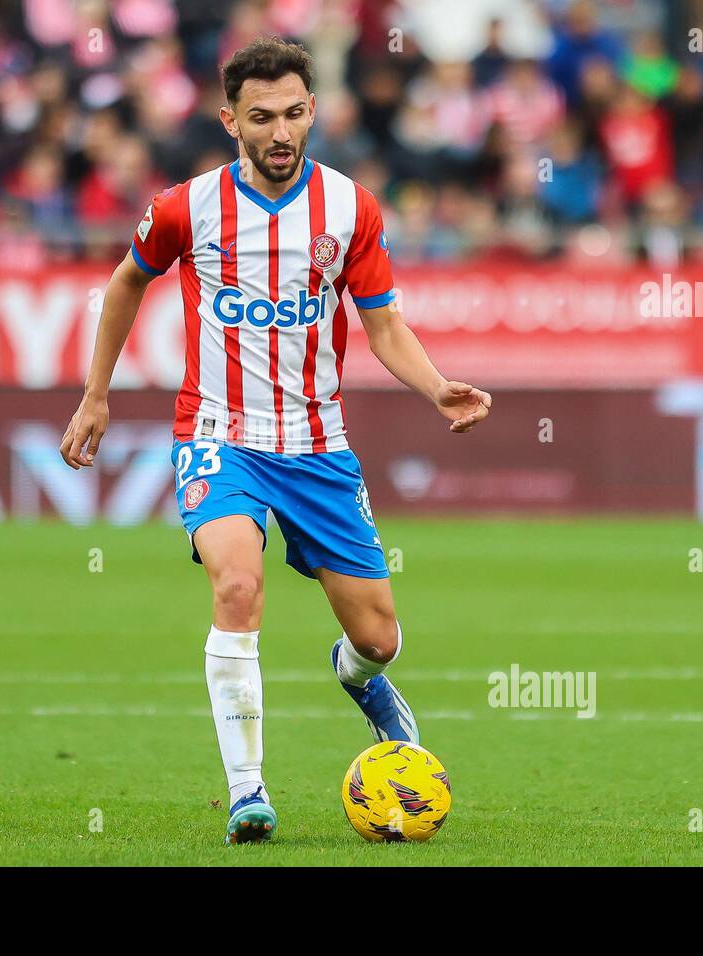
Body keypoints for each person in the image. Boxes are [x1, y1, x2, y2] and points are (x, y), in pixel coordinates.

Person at [59, 37, 492, 844]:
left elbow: (384, 323)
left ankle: (354, 676)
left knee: (379, 638)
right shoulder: (186, 205)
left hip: (319, 445)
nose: (281, 130)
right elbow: (125, 281)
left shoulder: (350, 209)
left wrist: (438, 387)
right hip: (218, 435)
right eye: (262, 117)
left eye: (294, 112)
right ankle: (247, 792)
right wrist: (96, 395)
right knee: (236, 587)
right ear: (231, 121)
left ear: (313, 111)